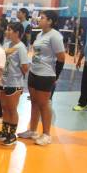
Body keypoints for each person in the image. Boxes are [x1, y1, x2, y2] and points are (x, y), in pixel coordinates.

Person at [18, 10, 66, 146]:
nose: (39, 19)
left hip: (46, 74)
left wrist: (56, 75)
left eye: (42, 18)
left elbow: (61, 57)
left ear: (50, 21)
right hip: (34, 72)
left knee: (44, 104)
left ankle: (46, 134)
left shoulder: (55, 36)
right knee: (34, 102)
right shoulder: (39, 34)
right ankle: (32, 130)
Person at [0, 22, 30, 146]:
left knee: (12, 109)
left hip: (14, 83)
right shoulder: (6, 44)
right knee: (4, 109)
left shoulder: (21, 47)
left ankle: (12, 135)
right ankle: (4, 132)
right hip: (4, 82)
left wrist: (16, 73)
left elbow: (25, 67)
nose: (6, 32)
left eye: (9, 30)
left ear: (17, 33)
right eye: (7, 29)